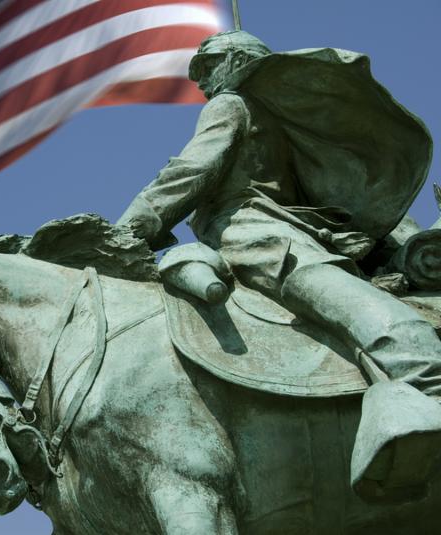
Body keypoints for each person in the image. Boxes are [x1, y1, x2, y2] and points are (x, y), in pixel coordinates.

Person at [117, 30, 441, 499]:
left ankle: (425, 380)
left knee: (345, 300)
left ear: (236, 61)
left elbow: (191, 171)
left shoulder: (232, 105)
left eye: (207, 66)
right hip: (268, 231)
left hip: (258, 236)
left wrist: (128, 230)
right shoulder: (277, 116)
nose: (202, 82)